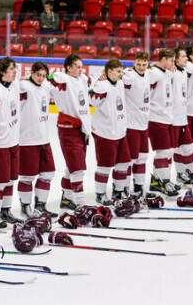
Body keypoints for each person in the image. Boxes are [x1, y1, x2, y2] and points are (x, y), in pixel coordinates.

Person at [48, 54, 92, 208]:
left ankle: (67, 198)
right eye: (77, 66)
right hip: (68, 129)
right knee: (77, 169)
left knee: (71, 166)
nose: (81, 69)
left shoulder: (83, 79)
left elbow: (91, 80)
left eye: (82, 66)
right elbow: (51, 78)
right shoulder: (63, 79)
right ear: (68, 67)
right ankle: (81, 204)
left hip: (82, 130)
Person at [18, 61, 57, 218]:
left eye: (43, 75)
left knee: (48, 173)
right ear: (31, 73)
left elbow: (63, 81)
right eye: (38, 75)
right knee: (27, 177)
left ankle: (41, 206)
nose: (41, 78)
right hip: (27, 139)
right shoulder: (24, 87)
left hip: (43, 139)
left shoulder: (47, 85)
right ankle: (25, 207)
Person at [89, 59, 131, 204]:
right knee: (104, 165)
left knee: (123, 163)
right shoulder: (101, 85)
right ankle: (100, 194)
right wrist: (96, 80)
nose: (121, 74)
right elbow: (92, 100)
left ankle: (118, 191)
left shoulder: (120, 82)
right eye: (118, 71)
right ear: (109, 72)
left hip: (120, 130)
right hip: (105, 131)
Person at [0, 57, 22, 231]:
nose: (15, 71)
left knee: (11, 180)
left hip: (13, 141)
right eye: (11, 69)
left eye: (15, 68)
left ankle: (5, 211)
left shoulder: (14, 85)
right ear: (2, 72)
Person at [147, 48, 179, 196]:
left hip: (167, 118)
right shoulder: (153, 73)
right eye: (172, 60)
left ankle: (156, 180)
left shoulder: (166, 73)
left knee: (170, 151)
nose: (174, 63)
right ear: (164, 59)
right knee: (163, 151)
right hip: (155, 118)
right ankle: (165, 182)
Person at [121, 50, 151, 196]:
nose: (141, 67)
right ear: (134, 63)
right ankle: (123, 188)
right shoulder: (129, 76)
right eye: (138, 64)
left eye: (144, 64)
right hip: (131, 125)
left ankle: (138, 187)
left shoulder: (149, 74)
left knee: (142, 157)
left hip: (144, 124)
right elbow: (116, 77)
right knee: (130, 159)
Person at [171, 46, 193, 184]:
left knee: (188, 147)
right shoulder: (171, 73)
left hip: (182, 118)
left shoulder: (183, 71)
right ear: (175, 59)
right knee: (167, 152)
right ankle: (158, 180)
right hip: (172, 119)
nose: (187, 59)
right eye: (183, 56)